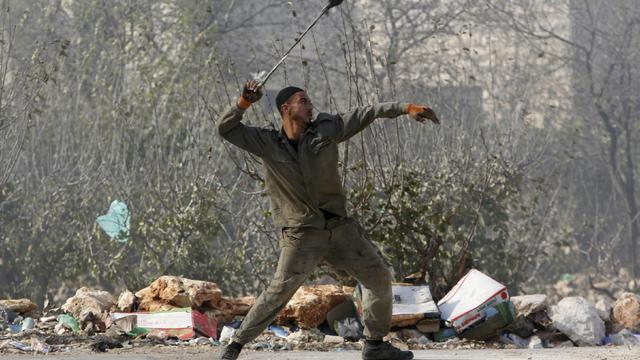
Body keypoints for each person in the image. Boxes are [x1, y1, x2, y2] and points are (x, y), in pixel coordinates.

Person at [216, 80, 439, 360]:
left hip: (340, 229)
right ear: (286, 109)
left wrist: (406, 108)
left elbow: (367, 112)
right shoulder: (266, 143)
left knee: (377, 277)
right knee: (279, 291)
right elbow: (226, 128)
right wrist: (244, 103)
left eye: (309, 101)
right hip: (302, 234)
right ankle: (236, 345)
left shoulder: (326, 130)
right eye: (303, 101)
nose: (310, 106)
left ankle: (374, 345)